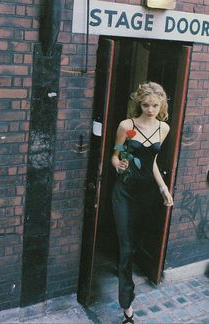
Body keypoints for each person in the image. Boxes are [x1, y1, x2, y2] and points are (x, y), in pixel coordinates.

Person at [111, 81, 173, 324]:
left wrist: (163, 189)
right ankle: (127, 307)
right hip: (124, 193)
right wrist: (118, 164)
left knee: (133, 247)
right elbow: (115, 155)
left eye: (155, 105)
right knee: (126, 250)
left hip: (146, 195)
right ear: (139, 103)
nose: (150, 109)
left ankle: (124, 279)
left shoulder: (164, 129)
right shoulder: (126, 126)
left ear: (161, 105)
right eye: (146, 104)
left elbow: (153, 163)